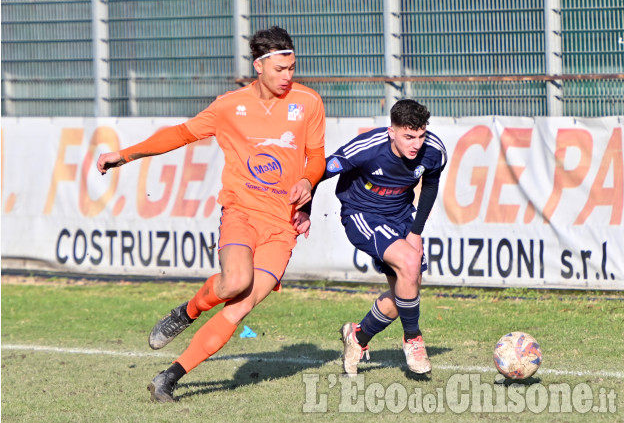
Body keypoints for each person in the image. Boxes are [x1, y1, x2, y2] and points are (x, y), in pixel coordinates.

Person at [96, 26, 325, 402]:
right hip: (242, 211)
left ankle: (168, 378)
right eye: (281, 69)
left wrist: (307, 180)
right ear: (260, 66)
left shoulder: (309, 102)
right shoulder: (229, 106)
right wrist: (124, 155)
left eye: (292, 68)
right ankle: (187, 312)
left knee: (240, 308)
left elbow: (316, 156)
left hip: (282, 226)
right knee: (235, 281)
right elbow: (181, 134)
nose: (289, 76)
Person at [309, 99, 446, 375]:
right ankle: (413, 341)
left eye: (420, 136)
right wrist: (303, 210)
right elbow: (318, 172)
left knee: (405, 293)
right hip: (362, 214)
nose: (416, 144)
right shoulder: (368, 147)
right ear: (391, 131)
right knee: (409, 263)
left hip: (401, 216)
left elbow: (430, 185)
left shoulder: (434, 151)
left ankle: (357, 338)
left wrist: (416, 231)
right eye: (408, 136)